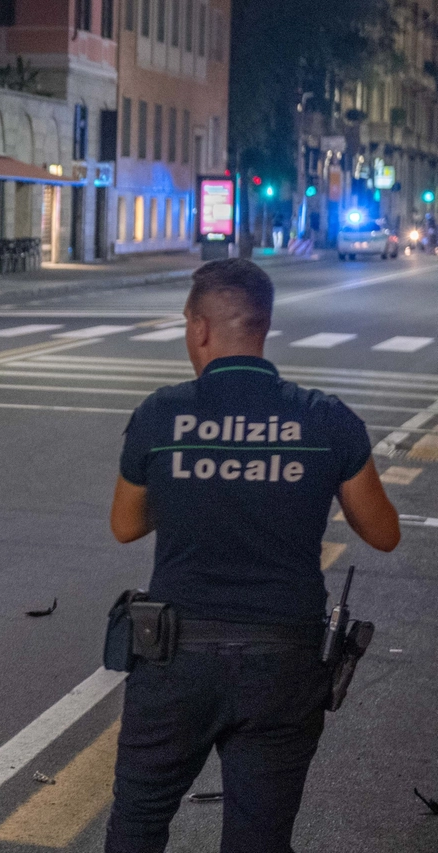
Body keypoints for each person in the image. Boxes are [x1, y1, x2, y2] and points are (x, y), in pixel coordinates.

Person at [105, 259, 400, 853]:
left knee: (137, 824)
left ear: (199, 329)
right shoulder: (324, 418)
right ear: (262, 328)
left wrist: (198, 478)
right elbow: (383, 532)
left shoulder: (162, 415)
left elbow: (125, 526)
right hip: (285, 664)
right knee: (259, 838)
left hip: (174, 661)